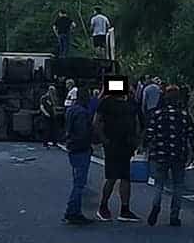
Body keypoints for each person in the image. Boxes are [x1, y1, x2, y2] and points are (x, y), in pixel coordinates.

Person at [145, 85, 194, 227]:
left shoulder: (157, 114)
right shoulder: (184, 115)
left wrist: (148, 149)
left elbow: (149, 133)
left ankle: (156, 207)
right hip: (178, 154)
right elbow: (192, 134)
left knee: (159, 184)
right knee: (178, 185)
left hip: (160, 154)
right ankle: (174, 215)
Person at [93, 83, 141, 222]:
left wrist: (136, 139)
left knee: (125, 177)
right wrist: (104, 139)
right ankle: (103, 207)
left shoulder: (131, 103)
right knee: (112, 176)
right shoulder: (106, 102)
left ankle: (124, 209)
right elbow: (96, 121)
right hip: (112, 143)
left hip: (126, 144)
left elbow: (136, 121)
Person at [62, 87, 94, 225]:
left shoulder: (70, 110)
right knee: (79, 183)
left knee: (77, 180)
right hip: (81, 148)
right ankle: (73, 211)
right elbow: (82, 132)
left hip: (72, 147)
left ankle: (74, 210)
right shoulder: (82, 113)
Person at [39, 84, 59, 149]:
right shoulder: (44, 97)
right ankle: (45, 143)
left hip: (53, 115)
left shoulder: (54, 98)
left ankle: (54, 142)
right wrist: (46, 113)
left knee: (54, 129)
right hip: (46, 116)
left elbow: (54, 106)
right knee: (47, 129)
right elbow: (42, 106)